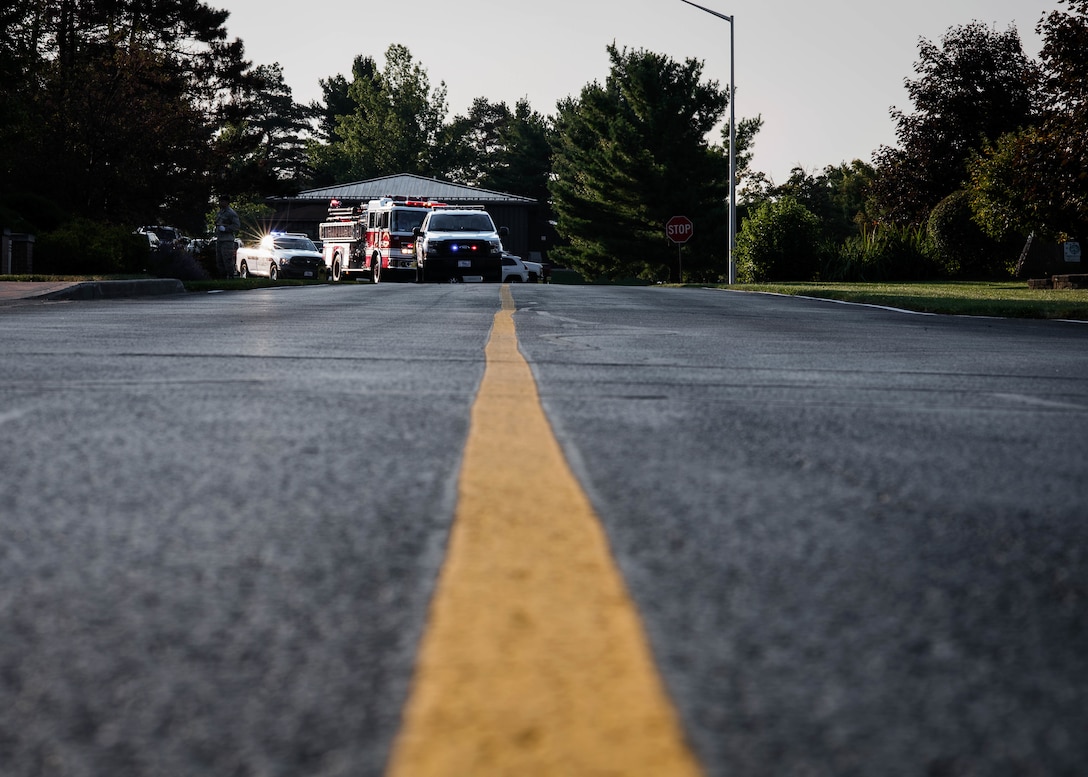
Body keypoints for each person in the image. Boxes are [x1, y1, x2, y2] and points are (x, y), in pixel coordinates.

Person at [214, 196, 241, 278]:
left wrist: (226, 229)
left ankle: (231, 276)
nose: (220, 203)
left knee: (227, 259)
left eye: (222, 201)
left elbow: (236, 226)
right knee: (219, 260)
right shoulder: (221, 212)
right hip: (220, 239)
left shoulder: (231, 213)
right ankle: (222, 276)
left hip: (227, 240)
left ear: (227, 202)